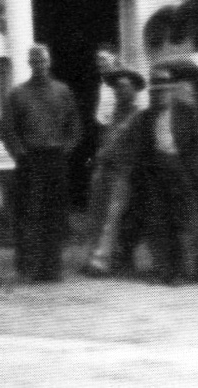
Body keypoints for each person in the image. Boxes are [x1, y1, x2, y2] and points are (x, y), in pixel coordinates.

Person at [0, 44, 81, 283]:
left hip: (55, 158)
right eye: (35, 62)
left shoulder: (62, 91)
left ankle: (51, 268)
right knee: (28, 214)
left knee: (54, 214)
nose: (39, 66)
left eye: (43, 61)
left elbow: (75, 126)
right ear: (29, 64)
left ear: (49, 62)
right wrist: (20, 154)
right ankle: (27, 268)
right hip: (29, 159)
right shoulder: (18, 94)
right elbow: (8, 130)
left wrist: (65, 148)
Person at [132, 82, 198, 286]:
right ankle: (163, 270)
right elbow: (142, 147)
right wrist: (148, 170)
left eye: (164, 91)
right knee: (158, 221)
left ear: (171, 92)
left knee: (182, 222)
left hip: (182, 172)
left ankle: (182, 272)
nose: (160, 96)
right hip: (156, 173)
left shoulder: (188, 113)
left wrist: (188, 168)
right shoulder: (147, 116)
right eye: (156, 92)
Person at [82, 67, 148, 276]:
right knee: (96, 215)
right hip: (103, 170)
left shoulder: (138, 117)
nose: (120, 92)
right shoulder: (112, 115)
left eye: (125, 87)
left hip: (122, 172)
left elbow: (139, 148)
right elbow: (104, 141)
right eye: (117, 88)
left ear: (135, 91)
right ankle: (92, 257)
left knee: (112, 217)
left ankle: (101, 261)